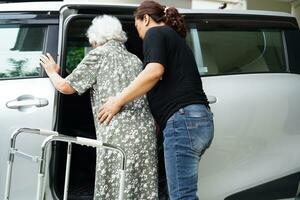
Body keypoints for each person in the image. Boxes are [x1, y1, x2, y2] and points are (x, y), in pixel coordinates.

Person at [98, 1, 214, 200]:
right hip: (197, 121)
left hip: (183, 122)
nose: (140, 34)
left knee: (182, 195)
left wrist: (118, 100)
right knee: (178, 191)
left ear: (146, 19)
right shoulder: (173, 38)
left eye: (138, 28)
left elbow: (153, 71)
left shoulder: (155, 33)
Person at [40, 15, 158, 200]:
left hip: (118, 134)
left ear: (95, 38)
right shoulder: (134, 59)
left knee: (116, 186)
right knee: (140, 188)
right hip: (144, 132)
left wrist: (51, 72)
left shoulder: (98, 54)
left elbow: (65, 87)